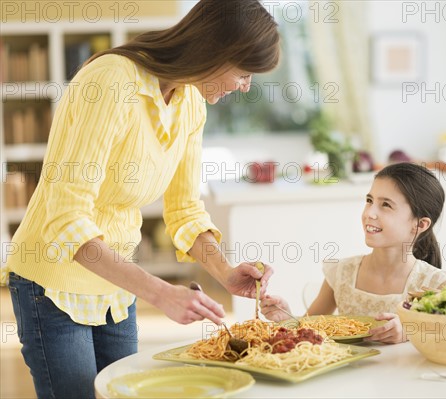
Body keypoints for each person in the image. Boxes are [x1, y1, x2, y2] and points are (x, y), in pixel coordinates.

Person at [2, 1, 280, 397]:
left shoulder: (190, 104)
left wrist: (224, 272)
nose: (245, 85)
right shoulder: (111, 82)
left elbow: (184, 209)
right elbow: (65, 219)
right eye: (244, 72)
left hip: (116, 282)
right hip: (53, 282)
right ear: (215, 52)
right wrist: (161, 292)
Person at [261, 163, 446, 344]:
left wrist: (411, 332)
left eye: (386, 205)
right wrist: (287, 318)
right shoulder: (341, 273)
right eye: (369, 200)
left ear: (420, 224)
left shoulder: (438, 285)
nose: (370, 213)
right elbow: (308, 330)